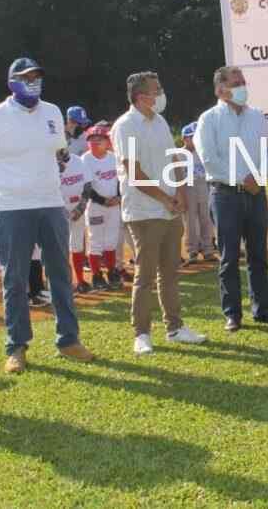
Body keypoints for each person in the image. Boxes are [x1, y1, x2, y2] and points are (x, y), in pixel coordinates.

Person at [0, 57, 95, 374]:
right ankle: (16, 347)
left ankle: (68, 340)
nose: (33, 82)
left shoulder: (52, 112)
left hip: (51, 203)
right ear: (12, 82)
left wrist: (61, 157)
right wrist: (4, 176)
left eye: (37, 76)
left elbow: (57, 149)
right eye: (26, 77)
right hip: (12, 206)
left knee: (60, 274)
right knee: (15, 279)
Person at [111, 71, 206, 354]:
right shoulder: (125, 126)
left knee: (170, 272)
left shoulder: (160, 121)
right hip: (143, 212)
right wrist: (166, 198)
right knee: (145, 276)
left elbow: (172, 158)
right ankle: (141, 334)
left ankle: (175, 328)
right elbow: (134, 174)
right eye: (157, 89)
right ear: (142, 96)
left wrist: (178, 192)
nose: (161, 93)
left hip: (169, 210)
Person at [195, 66, 268, 331]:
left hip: (257, 194)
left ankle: (263, 309)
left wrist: (259, 177)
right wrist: (242, 179)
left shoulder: (257, 116)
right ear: (220, 90)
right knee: (229, 257)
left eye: (243, 81)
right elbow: (209, 159)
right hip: (225, 195)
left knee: (259, 255)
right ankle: (233, 314)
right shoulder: (209, 119)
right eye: (236, 82)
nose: (243, 86)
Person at [79, 125, 122, 291]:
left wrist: (118, 196)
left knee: (111, 240)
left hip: (114, 206)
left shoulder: (113, 157)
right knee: (96, 241)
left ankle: (112, 272)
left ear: (107, 141)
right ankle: (96, 275)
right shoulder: (86, 159)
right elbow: (87, 187)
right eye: (92, 140)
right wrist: (103, 201)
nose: (95, 143)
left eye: (99, 140)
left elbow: (119, 180)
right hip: (96, 206)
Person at [179, 122, 216, 265]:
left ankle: (208, 250)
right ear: (184, 138)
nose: (194, 140)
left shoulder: (202, 152)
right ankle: (192, 250)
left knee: (206, 217)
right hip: (187, 187)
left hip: (203, 185)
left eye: (196, 136)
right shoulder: (179, 154)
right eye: (191, 137)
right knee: (190, 220)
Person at [57, 147, 91, 292]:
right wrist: (61, 211)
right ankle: (64, 283)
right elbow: (47, 190)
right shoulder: (47, 164)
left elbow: (87, 185)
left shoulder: (78, 161)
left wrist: (81, 207)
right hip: (57, 211)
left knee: (77, 245)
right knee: (59, 247)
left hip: (78, 208)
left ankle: (81, 280)